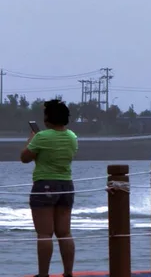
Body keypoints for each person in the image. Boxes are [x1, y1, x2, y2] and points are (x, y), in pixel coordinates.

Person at [20, 99, 78, 277]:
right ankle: (68, 273)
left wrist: (31, 139)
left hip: (44, 184)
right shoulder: (72, 137)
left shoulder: (41, 137)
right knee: (65, 232)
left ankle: (43, 274)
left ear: (47, 118)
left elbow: (24, 158)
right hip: (66, 185)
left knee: (45, 233)